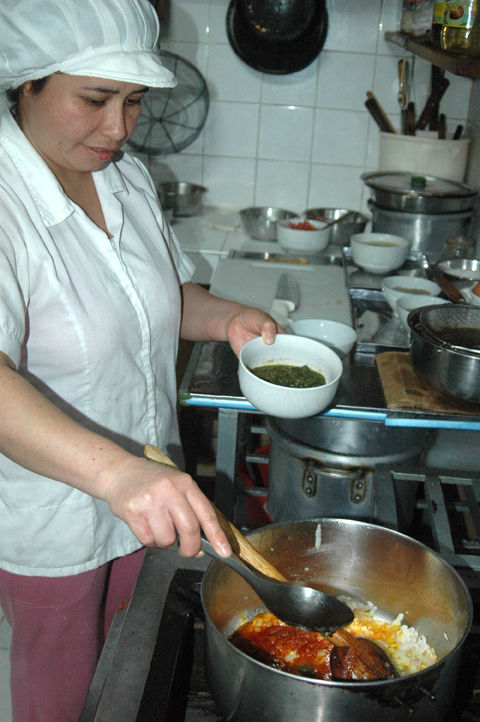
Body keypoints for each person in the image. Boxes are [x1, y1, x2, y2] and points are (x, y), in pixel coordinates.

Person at [0, 1, 280, 719]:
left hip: (147, 494)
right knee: (62, 694)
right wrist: (118, 475)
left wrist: (226, 320)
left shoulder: (122, 175)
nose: (120, 128)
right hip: (56, 506)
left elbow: (154, 296)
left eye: (133, 101)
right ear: (25, 81)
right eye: (94, 99)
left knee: (133, 671)